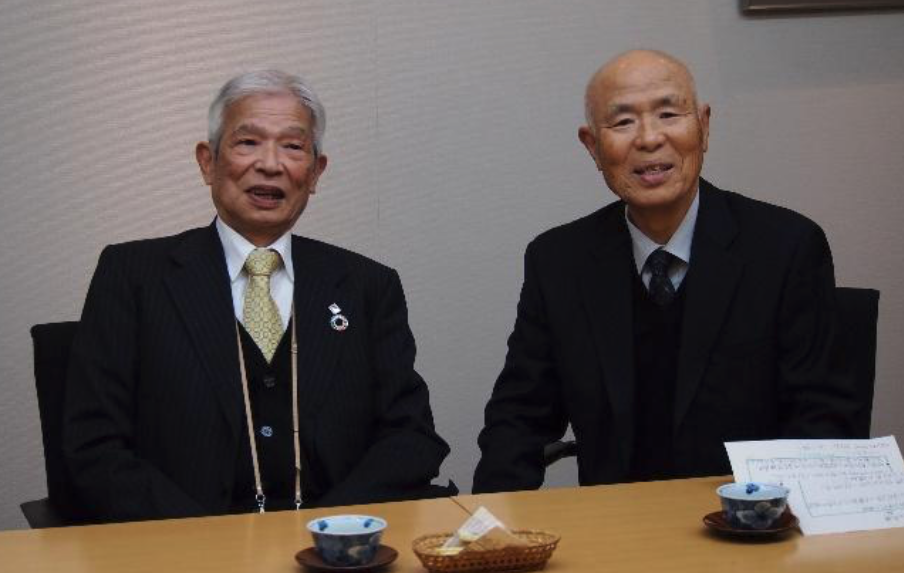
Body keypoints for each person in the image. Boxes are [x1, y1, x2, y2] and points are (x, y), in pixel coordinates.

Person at [64, 70, 453, 522]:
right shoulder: (133, 276)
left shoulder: (367, 286)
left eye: (293, 147)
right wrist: (203, 541)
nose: (270, 164)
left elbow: (411, 437)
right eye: (247, 142)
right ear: (207, 162)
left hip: (335, 544)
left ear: (316, 172)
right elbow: (93, 445)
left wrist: (330, 530)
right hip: (187, 545)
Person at [472, 49, 857, 493]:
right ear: (592, 146)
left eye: (669, 114)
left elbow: (822, 421)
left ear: (704, 127)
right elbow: (519, 417)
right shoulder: (558, 261)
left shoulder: (786, 248)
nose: (649, 138)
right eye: (623, 122)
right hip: (617, 522)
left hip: (748, 518)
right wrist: (491, 519)